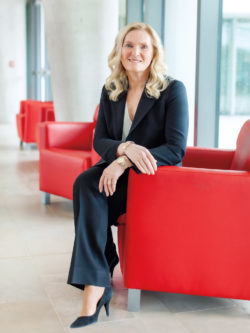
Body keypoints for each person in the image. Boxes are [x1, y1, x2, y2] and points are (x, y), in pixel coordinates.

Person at [67, 22, 189, 328]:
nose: (135, 52)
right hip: (118, 175)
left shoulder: (173, 90)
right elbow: (100, 140)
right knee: (84, 183)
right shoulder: (112, 89)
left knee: (89, 190)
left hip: (151, 181)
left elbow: (175, 149)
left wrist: (124, 161)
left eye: (143, 46)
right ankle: (97, 282)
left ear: (154, 53)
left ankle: (98, 280)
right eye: (129, 45)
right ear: (120, 50)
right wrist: (124, 149)